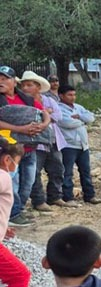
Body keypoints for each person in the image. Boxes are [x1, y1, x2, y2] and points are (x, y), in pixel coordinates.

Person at [0, 66, 51, 226]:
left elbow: (43, 112)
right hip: (9, 150)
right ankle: (12, 214)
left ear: (14, 82)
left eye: (4, 79)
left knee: (27, 184)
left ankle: (18, 209)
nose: (1, 82)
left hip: (29, 148)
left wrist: (44, 125)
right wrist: (20, 129)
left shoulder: (25, 98)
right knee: (11, 183)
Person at [19, 71, 70, 211]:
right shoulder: (22, 102)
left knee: (57, 169)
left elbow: (58, 116)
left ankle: (55, 197)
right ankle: (39, 200)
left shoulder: (49, 100)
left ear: (38, 87)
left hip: (53, 140)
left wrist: (43, 115)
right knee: (34, 173)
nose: (25, 88)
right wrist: (46, 113)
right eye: (23, 85)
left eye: (29, 85)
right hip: (34, 142)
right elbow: (26, 119)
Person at [0, 140, 31, 287]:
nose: (15, 167)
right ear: (7, 159)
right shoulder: (3, 176)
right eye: (16, 162)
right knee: (20, 276)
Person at [57, 85, 101, 204]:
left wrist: (80, 117)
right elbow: (67, 123)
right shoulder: (58, 109)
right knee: (67, 173)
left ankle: (89, 195)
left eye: (74, 95)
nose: (73, 97)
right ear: (61, 96)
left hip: (83, 145)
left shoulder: (78, 107)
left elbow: (91, 118)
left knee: (86, 171)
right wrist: (83, 121)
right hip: (68, 145)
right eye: (69, 95)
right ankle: (68, 197)